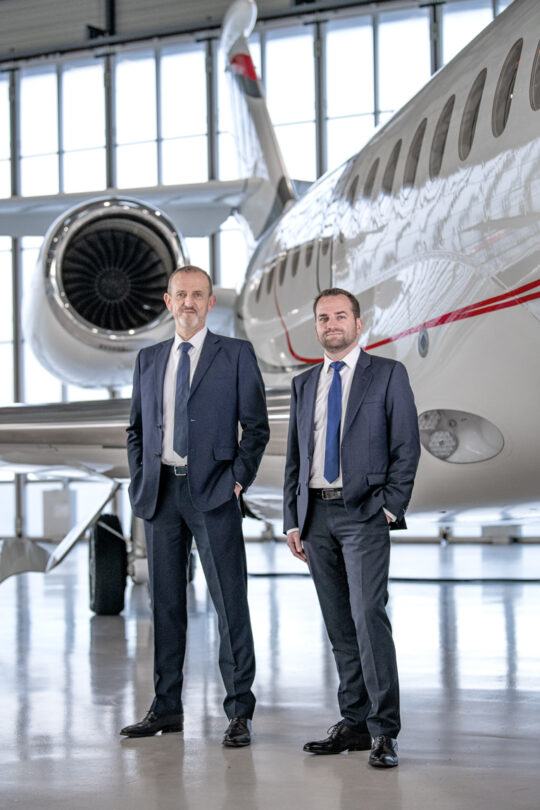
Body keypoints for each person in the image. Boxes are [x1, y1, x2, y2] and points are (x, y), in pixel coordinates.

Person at [123, 265, 269, 747]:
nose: (189, 302)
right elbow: (136, 430)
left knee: (230, 603)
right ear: (168, 301)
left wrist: (237, 480)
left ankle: (239, 712)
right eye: (181, 294)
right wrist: (141, 478)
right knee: (165, 605)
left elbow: (257, 427)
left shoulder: (236, 354)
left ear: (210, 303)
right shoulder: (148, 359)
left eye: (198, 295)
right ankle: (166, 707)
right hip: (160, 494)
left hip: (213, 492)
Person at [283, 288, 420, 768]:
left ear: (358, 325)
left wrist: (390, 507)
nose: (332, 325)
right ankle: (355, 723)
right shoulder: (304, 384)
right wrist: (292, 519)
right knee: (339, 624)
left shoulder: (387, 374)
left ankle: (384, 731)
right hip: (315, 516)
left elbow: (406, 445)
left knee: (367, 616)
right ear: (317, 327)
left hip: (364, 513)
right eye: (324, 318)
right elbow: (296, 457)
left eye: (341, 316)